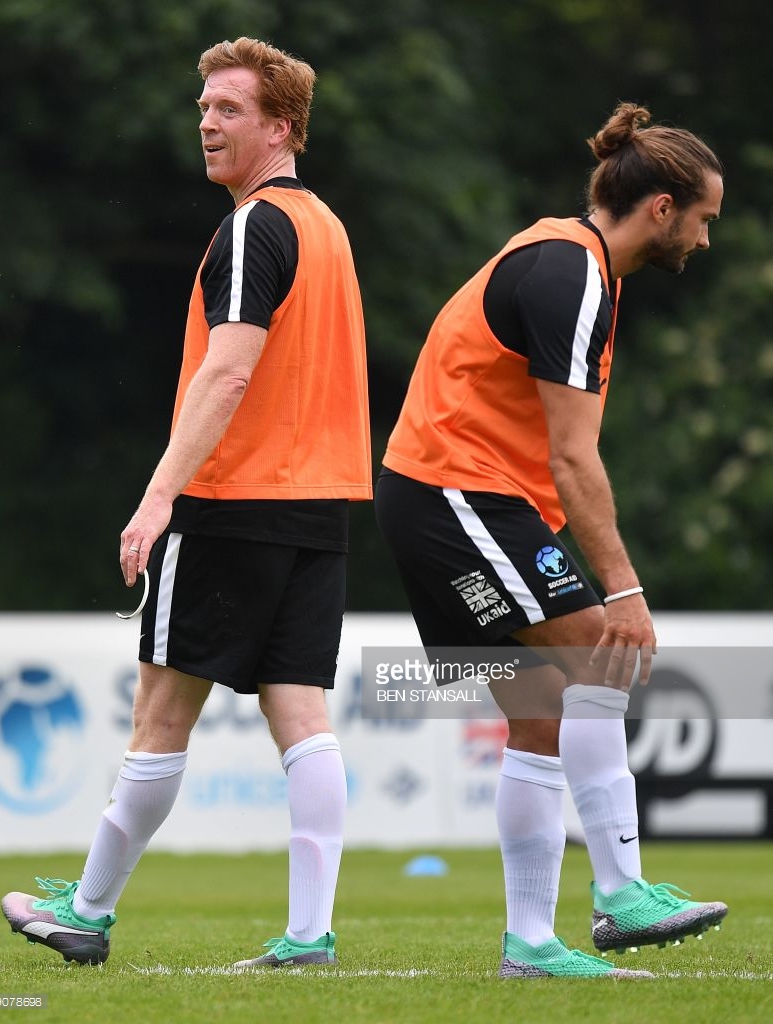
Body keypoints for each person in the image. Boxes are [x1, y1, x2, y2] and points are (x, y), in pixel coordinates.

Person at [1, 37, 372, 968]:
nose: (207, 122)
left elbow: (231, 364)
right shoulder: (325, 225)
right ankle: (308, 934)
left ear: (280, 126)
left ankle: (85, 913)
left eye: (230, 110)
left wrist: (160, 492)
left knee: (160, 718)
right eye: (204, 107)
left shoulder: (254, 226)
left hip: (230, 497)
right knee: (303, 717)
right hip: (319, 502)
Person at [375, 102, 728, 980]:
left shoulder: (577, 267)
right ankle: (619, 894)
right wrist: (624, 591)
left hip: (454, 498)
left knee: (538, 717)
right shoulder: (569, 274)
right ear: (660, 208)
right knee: (597, 659)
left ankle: (530, 945)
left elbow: (560, 455)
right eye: (704, 218)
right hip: (456, 495)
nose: (704, 239)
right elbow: (575, 457)